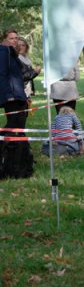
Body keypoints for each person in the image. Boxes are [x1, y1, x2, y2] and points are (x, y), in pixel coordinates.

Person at [0, 28, 34, 179]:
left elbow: (20, 76)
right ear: (4, 40)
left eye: (16, 38)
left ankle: (20, 165)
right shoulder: (3, 52)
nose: (15, 41)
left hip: (20, 96)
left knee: (19, 130)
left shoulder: (14, 54)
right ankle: (8, 165)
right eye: (12, 38)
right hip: (11, 97)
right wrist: (8, 95)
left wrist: (24, 96)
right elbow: (2, 74)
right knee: (12, 129)